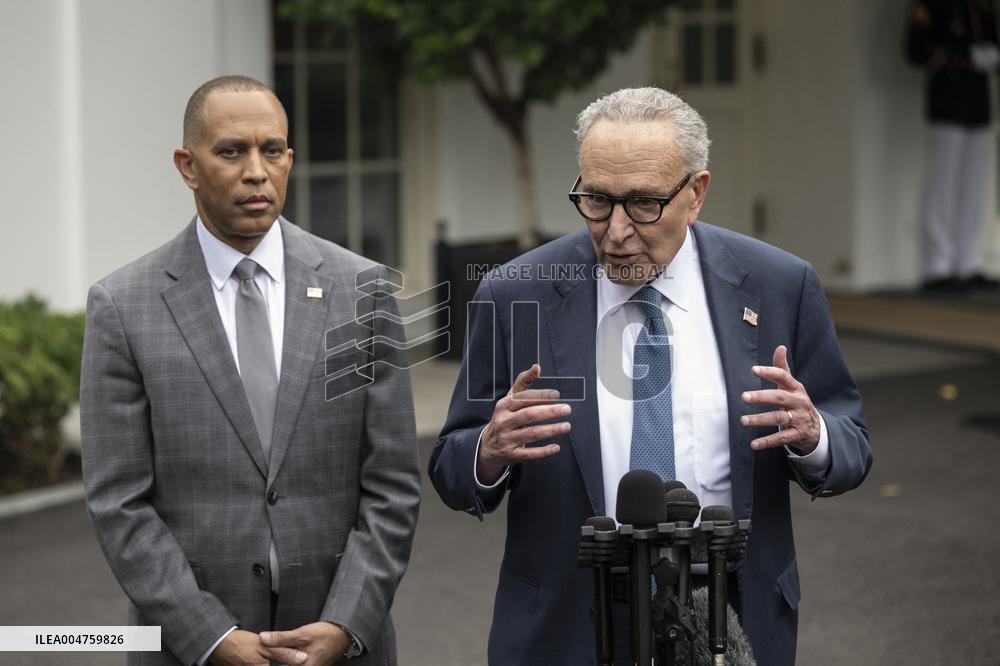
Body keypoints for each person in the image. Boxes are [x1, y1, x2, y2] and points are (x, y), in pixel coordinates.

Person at [429, 87, 872, 665]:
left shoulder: (779, 285)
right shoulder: (516, 294)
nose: (615, 230)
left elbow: (851, 445)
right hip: (566, 626)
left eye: (642, 204)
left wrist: (814, 435)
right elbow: (452, 465)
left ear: (696, 194)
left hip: (729, 617)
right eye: (596, 200)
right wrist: (488, 451)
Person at [80, 75, 420, 666]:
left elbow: (392, 485)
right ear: (188, 166)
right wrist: (209, 636)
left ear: (290, 159)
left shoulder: (362, 289)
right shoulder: (123, 306)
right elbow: (119, 503)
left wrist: (345, 622)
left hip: (342, 643)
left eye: (272, 150)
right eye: (232, 151)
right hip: (188, 649)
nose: (257, 172)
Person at [907, 0, 1000, 292]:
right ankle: (937, 265)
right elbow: (917, 49)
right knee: (942, 185)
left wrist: (990, 56)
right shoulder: (935, 4)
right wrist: (964, 56)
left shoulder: (984, 6)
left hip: (979, 104)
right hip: (948, 101)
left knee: (974, 187)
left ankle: (966, 261)